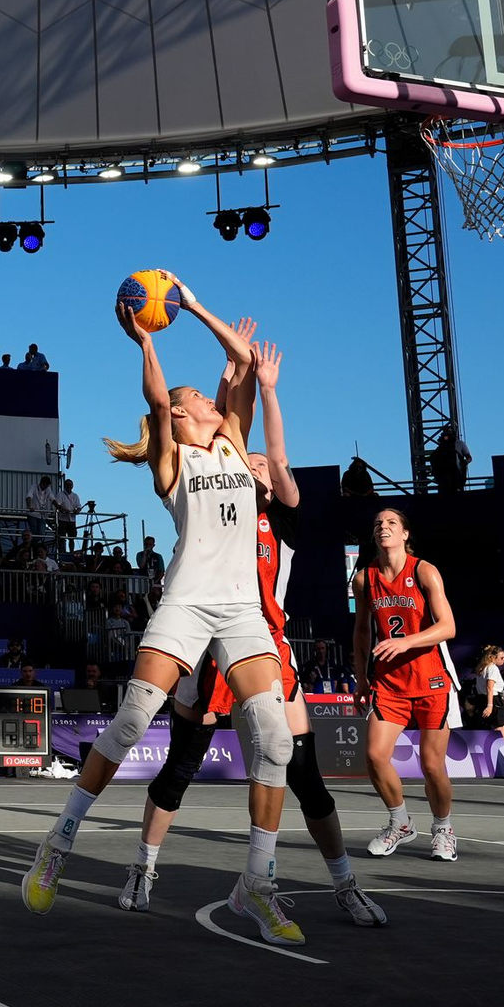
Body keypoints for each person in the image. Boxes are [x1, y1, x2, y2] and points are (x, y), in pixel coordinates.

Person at [22, 276, 302, 944]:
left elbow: (243, 358)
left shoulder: (235, 436)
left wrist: (196, 304)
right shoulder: (172, 461)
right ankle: (57, 844)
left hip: (239, 610)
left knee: (277, 739)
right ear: (179, 416)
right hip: (186, 601)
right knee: (127, 724)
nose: (208, 394)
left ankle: (256, 882)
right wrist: (148, 340)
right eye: (196, 396)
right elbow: (157, 394)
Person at [116, 340, 383, 927]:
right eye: (250, 460)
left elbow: (260, 444)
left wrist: (255, 385)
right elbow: (219, 430)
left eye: (260, 464)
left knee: (304, 772)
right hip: (208, 639)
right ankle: (143, 865)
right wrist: (228, 378)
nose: (255, 462)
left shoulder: (281, 518)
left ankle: (343, 884)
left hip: (263, 645)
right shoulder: (211, 490)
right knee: (180, 767)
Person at [352, 508, 460, 862]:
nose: (383, 527)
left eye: (391, 523)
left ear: (405, 534)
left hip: (430, 678)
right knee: (374, 755)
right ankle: (400, 822)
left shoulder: (424, 570)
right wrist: (362, 676)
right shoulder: (364, 579)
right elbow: (362, 631)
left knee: (432, 765)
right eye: (378, 524)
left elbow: (447, 627)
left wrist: (407, 642)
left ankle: (443, 828)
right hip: (389, 683)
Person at [469, 644, 504, 737]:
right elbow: (489, 687)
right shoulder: (492, 668)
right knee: (500, 731)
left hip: (484, 699)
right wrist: (490, 705)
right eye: (502, 658)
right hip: (493, 700)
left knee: (500, 731)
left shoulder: (482, 668)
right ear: (493, 657)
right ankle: (499, 750)